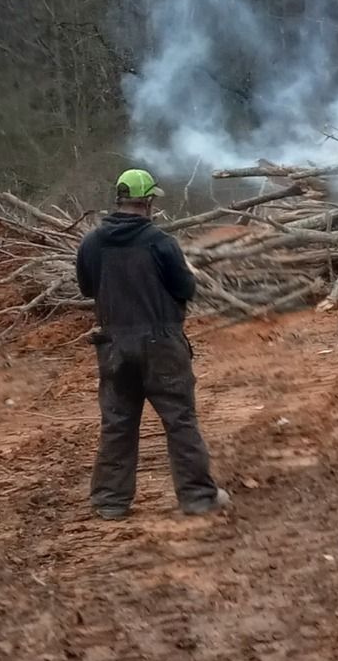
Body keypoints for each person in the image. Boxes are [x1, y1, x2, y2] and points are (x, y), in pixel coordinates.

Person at [75, 169, 229, 521]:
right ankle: (198, 498)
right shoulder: (160, 242)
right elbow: (185, 289)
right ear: (147, 202)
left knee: (117, 422)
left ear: (119, 199)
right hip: (161, 345)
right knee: (179, 419)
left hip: (113, 345)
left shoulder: (92, 243)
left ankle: (110, 502)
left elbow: (87, 288)